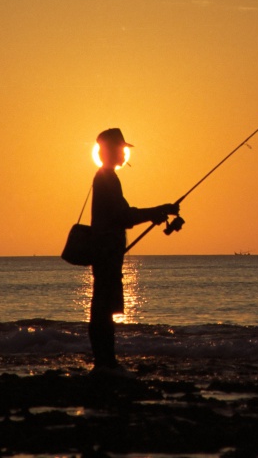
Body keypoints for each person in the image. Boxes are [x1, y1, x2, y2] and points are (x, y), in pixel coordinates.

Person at [89, 128, 178, 375]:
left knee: (104, 306)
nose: (124, 153)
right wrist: (156, 211)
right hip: (106, 252)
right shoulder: (106, 178)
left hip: (106, 251)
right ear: (110, 151)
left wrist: (155, 212)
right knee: (103, 308)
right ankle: (105, 364)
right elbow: (122, 216)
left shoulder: (106, 177)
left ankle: (105, 362)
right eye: (121, 148)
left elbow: (122, 216)